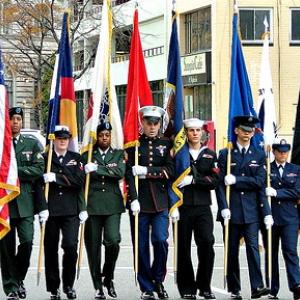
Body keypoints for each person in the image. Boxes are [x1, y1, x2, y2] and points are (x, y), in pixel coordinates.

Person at [216, 115, 273, 299]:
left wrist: (237, 180)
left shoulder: (258, 154)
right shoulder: (225, 154)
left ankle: (257, 286)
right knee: (231, 251)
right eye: (244, 130)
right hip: (231, 210)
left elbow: (259, 182)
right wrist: (223, 207)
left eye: (251, 131)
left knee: (253, 249)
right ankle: (235, 288)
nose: (248, 134)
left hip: (251, 210)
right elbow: (220, 184)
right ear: (236, 131)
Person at [125, 106, 174, 300]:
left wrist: (146, 171)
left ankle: (158, 280)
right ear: (142, 123)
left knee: (161, 240)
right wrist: (133, 198)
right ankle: (146, 286)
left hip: (160, 201)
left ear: (160, 124)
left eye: (156, 123)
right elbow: (129, 174)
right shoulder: (134, 144)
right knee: (141, 245)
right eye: (149, 123)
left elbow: (169, 170)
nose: (152, 127)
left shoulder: (167, 144)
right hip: (140, 202)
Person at [0, 107, 47, 300]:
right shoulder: (1, 145)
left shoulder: (32, 143)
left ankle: (18, 278)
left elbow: (38, 169)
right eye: (13, 119)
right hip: (5, 204)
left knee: (27, 242)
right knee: (6, 249)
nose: (16, 122)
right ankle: (11, 288)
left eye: (19, 119)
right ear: (7, 122)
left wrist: (14, 172)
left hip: (26, 203)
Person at [176, 118, 220, 300]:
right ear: (185, 133)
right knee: (183, 247)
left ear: (202, 132)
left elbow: (215, 180)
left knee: (207, 244)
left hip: (202, 207)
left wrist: (195, 180)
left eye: (197, 130)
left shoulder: (210, 154)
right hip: (182, 206)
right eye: (191, 130)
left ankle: (205, 286)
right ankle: (187, 288)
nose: (195, 133)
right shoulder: (179, 153)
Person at [43, 125, 87, 300]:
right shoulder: (45, 158)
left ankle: (68, 285)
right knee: (51, 249)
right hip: (51, 210)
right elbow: (39, 185)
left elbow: (78, 181)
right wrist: (41, 208)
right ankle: (54, 287)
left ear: (69, 140)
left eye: (65, 138)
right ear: (54, 140)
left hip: (70, 211)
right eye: (60, 138)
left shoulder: (76, 159)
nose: (63, 141)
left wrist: (56, 178)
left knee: (70, 246)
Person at [83, 122, 126, 299]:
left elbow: (119, 172)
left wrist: (98, 169)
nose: (104, 138)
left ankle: (108, 277)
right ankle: (98, 285)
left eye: (107, 135)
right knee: (93, 248)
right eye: (101, 135)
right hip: (91, 205)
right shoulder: (87, 155)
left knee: (113, 241)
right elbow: (81, 178)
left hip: (112, 204)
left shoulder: (117, 154)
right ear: (97, 136)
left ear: (110, 136)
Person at [264, 139, 300, 300]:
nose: (283, 154)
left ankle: (296, 285)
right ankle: (272, 288)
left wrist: (277, 193)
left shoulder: (296, 169)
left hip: (290, 218)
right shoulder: (266, 168)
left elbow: (297, 192)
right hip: (271, 216)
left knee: (290, 251)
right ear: (274, 152)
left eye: (285, 151)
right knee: (271, 253)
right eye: (280, 151)